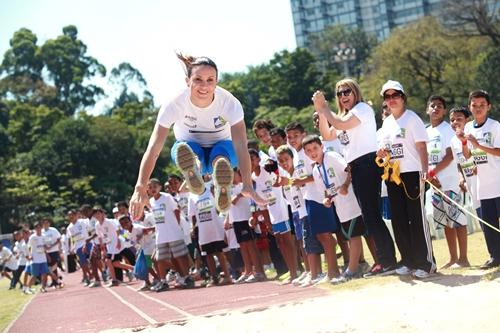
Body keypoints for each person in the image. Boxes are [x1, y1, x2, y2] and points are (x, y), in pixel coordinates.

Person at [129, 53, 264, 217]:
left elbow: (241, 146)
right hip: (189, 147)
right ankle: (195, 170)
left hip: (224, 148)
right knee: (185, 150)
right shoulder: (174, 104)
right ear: (187, 81)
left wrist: (247, 183)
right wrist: (139, 187)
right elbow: (154, 148)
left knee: (220, 155)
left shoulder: (230, 103)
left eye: (210, 80)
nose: (204, 86)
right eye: (198, 80)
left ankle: (219, 178)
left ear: (217, 82)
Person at [312, 78, 397, 277]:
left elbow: (341, 123)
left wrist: (324, 108)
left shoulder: (362, 109)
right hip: (356, 166)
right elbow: (327, 135)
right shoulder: (343, 114)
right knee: (369, 216)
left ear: (355, 92)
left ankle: (387, 261)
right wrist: (321, 111)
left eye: (347, 92)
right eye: (340, 93)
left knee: (372, 215)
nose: (343, 96)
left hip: (367, 163)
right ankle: (385, 261)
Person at [377, 80, 436, 279]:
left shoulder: (412, 119)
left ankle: (426, 262)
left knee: (416, 218)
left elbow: (421, 147)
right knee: (399, 219)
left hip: (412, 173)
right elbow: (385, 149)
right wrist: (382, 152)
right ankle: (408, 260)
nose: (392, 99)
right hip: (393, 175)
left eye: (396, 95)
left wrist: (425, 170)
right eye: (388, 96)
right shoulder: (386, 123)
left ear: (403, 97)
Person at [425, 96, 468, 269]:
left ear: (443, 111)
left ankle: (464, 258)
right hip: (434, 185)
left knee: (458, 220)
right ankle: (453, 258)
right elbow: (425, 157)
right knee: (445, 223)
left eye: (440, 106)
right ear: (427, 109)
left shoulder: (447, 129)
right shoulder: (426, 132)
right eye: (432, 105)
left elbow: (450, 155)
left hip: (449, 182)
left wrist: (433, 171)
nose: (435, 108)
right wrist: (429, 175)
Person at [460, 90, 500, 269]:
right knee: (489, 223)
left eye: (482, 105)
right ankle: (495, 256)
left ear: (489, 107)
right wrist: (463, 142)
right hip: (482, 185)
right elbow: (468, 155)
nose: (478, 108)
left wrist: (479, 145)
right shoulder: (468, 128)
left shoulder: (495, 126)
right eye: (474, 105)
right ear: (470, 107)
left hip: (497, 180)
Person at [249, 149, 298, 284]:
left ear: (258, 159)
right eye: (247, 160)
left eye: (252, 158)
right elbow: (262, 204)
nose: (250, 162)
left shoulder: (269, 169)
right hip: (272, 214)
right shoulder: (253, 178)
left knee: (288, 241)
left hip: (282, 209)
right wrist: (267, 222)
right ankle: (291, 271)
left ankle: (296, 272)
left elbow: (281, 172)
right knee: (280, 243)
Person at [149, 178, 193, 291]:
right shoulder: (151, 202)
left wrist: (176, 225)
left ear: (160, 187)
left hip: (173, 232)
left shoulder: (167, 197)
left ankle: (186, 278)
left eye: (154, 186)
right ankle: (163, 281)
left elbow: (176, 210)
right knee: (160, 259)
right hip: (161, 234)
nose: (152, 189)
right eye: (150, 187)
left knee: (178, 256)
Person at [188, 180, 232, 286]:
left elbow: (219, 205)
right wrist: (193, 229)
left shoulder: (210, 190)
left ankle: (227, 276)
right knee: (208, 255)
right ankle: (214, 278)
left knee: (219, 252)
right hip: (203, 230)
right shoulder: (192, 196)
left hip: (215, 227)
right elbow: (192, 215)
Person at [227, 168, 265, 283]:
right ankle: (248, 271)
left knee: (250, 245)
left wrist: (239, 195)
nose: (232, 177)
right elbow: (229, 203)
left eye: (233, 174)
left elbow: (240, 198)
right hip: (236, 220)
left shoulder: (245, 185)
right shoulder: (228, 188)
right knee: (242, 246)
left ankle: (259, 271)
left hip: (246, 218)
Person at [66, 210, 92, 285]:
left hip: (87, 243)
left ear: (76, 215)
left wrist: (90, 239)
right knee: (83, 263)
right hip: (78, 246)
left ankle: (102, 273)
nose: (71, 217)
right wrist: (71, 248)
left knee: (94, 259)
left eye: (72, 215)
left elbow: (89, 229)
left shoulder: (82, 222)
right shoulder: (69, 228)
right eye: (69, 216)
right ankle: (87, 277)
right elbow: (71, 239)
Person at [27, 222, 49, 293]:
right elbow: (29, 247)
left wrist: (46, 251)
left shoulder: (44, 236)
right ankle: (27, 288)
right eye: (36, 227)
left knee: (44, 274)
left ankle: (43, 287)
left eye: (39, 227)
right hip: (35, 259)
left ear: (41, 228)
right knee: (34, 275)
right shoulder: (32, 237)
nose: (38, 229)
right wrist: (30, 255)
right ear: (35, 229)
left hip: (43, 258)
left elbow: (45, 246)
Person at [42, 218, 63, 288]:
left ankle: (56, 282)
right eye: (44, 223)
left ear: (49, 223)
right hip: (46, 252)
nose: (46, 224)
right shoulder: (41, 232)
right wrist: (46, 248)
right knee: (48, 268)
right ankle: (54, 281)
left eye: (47, 223)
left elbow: (59, 239)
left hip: (54, 250)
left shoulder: (53, 230)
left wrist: (53, 246)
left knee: (54, 266)